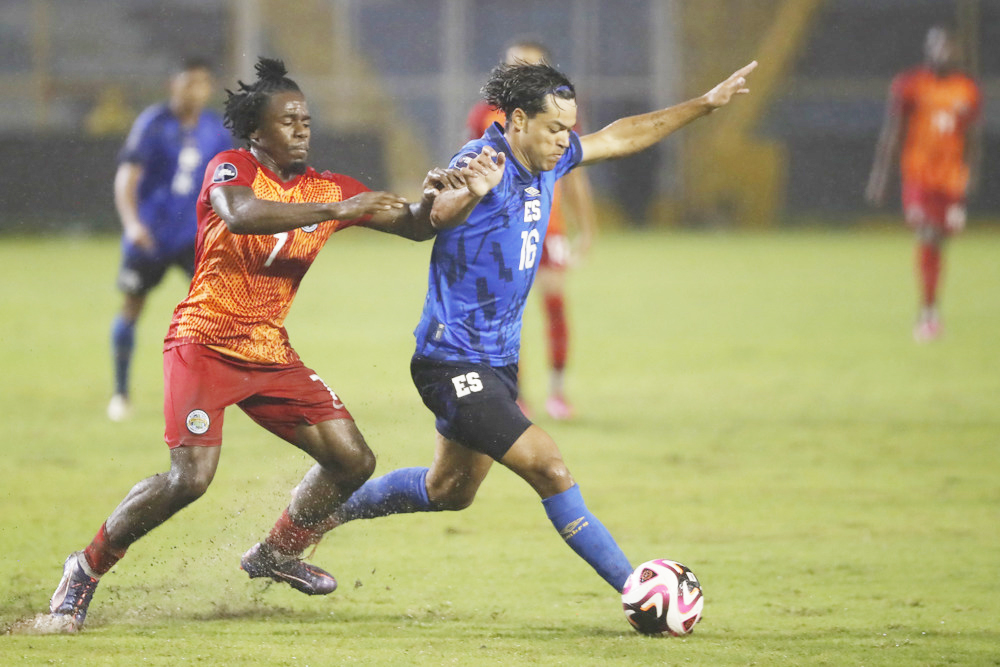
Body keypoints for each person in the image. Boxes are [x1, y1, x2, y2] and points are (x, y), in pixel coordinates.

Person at [306, 59, 757, 599]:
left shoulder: (549, 158)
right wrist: (471, 192)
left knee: (448, 489)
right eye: (555, 128)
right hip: (451, 361)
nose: (565, 140)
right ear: (518, 120)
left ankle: (312, 518)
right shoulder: (481, 160)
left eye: (568, 128)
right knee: (548, 465)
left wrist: (703, 105)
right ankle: (638, 591)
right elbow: (437, 215)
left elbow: (619, 137)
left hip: (497, 362)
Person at [44, 57, 466, 633]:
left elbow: (416, 224)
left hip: (268, 353)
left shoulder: (329, 186)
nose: (302, 128)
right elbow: (238, 215)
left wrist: (449, 197)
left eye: (306, 119)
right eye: (288, 120)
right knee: (189, 479)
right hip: (204, 341)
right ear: (257, 131)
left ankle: (275, 552)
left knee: (353, 460)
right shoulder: (232, 167)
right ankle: (85, 569)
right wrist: (338, 210)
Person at [466, 39, 596, 420]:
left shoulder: (561, 112)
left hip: (547, 225)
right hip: (502, 230)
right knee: (507, 312)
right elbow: (474, 173)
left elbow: (574, 174)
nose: (520, 72)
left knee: (554, 302)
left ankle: (558, 392)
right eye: (513, 65)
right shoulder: (484, 114)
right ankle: (515, 394)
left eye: (529, 66)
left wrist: (585, 228)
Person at [108, 57, 233, 421]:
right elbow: (126, 178)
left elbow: (224, 183)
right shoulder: (153, 123)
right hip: (150, 235)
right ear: (173, 85)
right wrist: (131, 224)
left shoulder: (214, 128)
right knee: (133, 305)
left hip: (194, 238)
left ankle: (211, 392)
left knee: (216, 311)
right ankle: (120, 392)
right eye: (188, 82)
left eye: (202, 83)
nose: (195, 90)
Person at [866, 25, 982, 342]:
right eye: (940, 46)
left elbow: (972, 138)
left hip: (950, 180)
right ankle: (927, 315)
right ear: (928, 48)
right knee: (928, 234)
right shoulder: (910, 85)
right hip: (918, 176)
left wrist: (970, 175)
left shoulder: (966, 89)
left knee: (939, 241)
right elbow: (893, 131)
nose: (946, 52)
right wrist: (880, 177)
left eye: (951, 47)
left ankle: (930, 309)